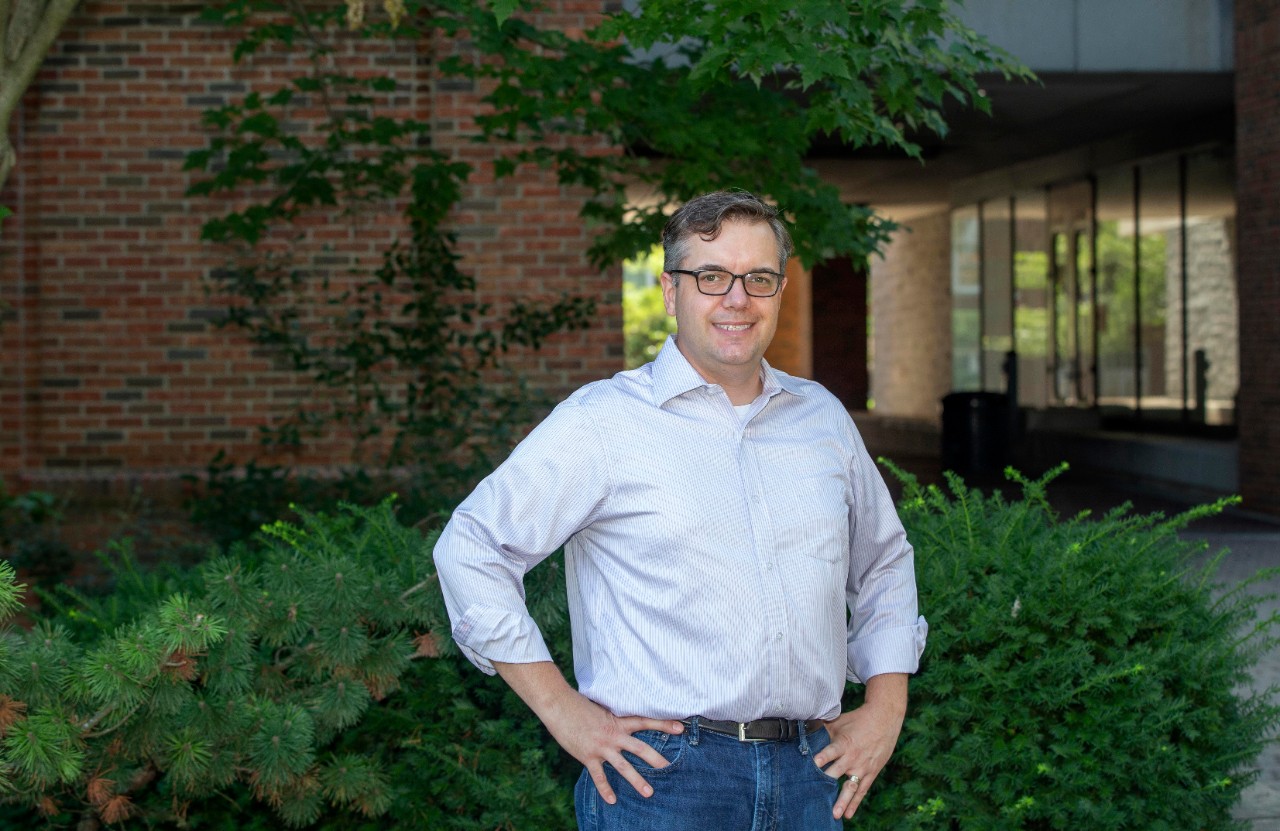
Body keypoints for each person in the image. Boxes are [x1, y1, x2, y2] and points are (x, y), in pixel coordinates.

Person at [433, 190, 927, 830]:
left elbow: (883, 560)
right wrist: (562, 709)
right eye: (712, 276)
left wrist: (886, 706)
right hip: (663, 784)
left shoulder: (822, 418)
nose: (737, 299)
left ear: (779, 288)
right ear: (671, 292)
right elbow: (472, 545)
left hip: (812, 776)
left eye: (759, 278)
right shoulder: (604, 422)